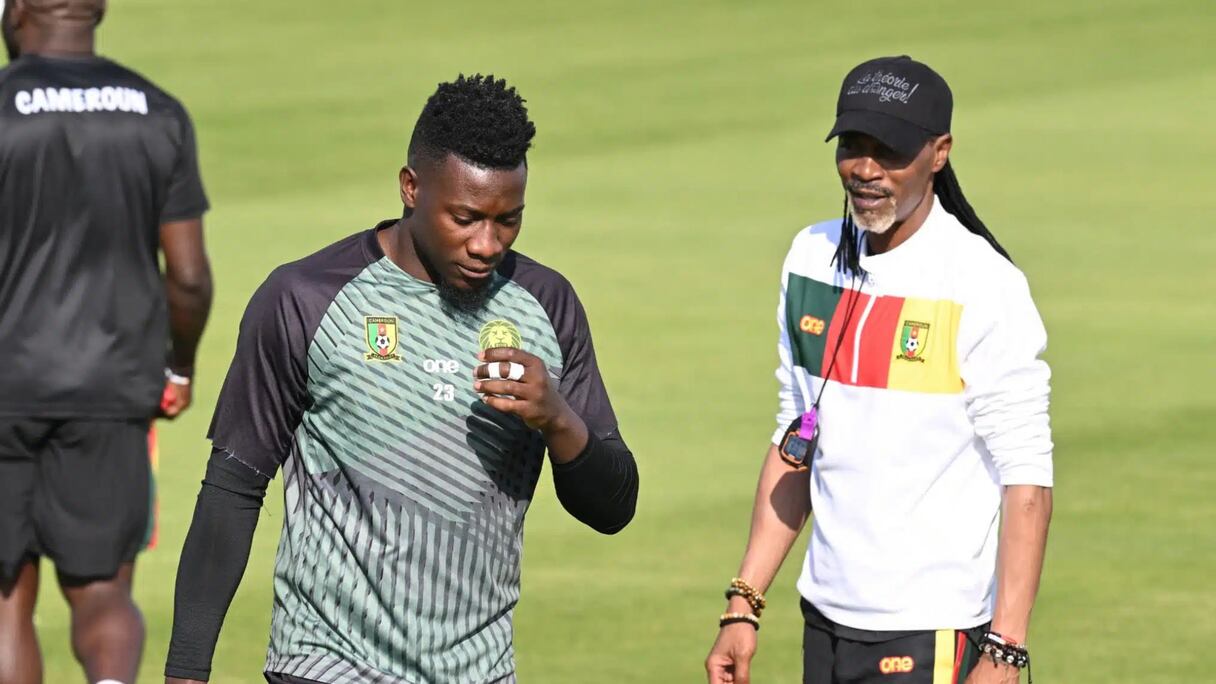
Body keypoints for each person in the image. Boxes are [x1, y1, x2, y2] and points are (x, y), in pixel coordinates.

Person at [164, 73, 639, 684]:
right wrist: (185, 670)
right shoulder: (306, 299)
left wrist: (558, 419)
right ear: (411, 188)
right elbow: (233, 489)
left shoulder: (546, 304)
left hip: (480, 672)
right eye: (465, 218)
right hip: (324, 665)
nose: (486, 243)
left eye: (508, 221)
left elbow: (613, 507)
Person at [705, 56, 1053, 684]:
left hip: (931, 630)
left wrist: (1005, 649)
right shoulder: (809, 258)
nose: (865, 169)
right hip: (825, 623)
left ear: (938, 153)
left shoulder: (982, 283)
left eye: (889, 151)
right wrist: (744, 602)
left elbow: (1026, 479)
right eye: (853, 146)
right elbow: (796, 439)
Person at [0, 0, 214, 683]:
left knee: (5, 604)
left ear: (20, 11)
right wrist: (177, 366)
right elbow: (187, 277)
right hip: (114, 391)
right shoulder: (158, 112)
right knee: (104, 595)